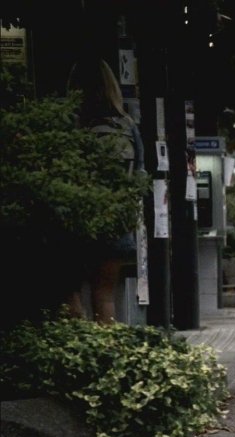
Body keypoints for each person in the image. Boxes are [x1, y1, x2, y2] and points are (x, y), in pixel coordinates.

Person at [65, 57, 144, 323]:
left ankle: (76, 356)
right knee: (105, 295)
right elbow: (140, 176)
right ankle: (107, 355)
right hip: (116, 223)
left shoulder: (72, 122)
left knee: (69, 292)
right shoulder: (127, 126)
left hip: (77, 223)